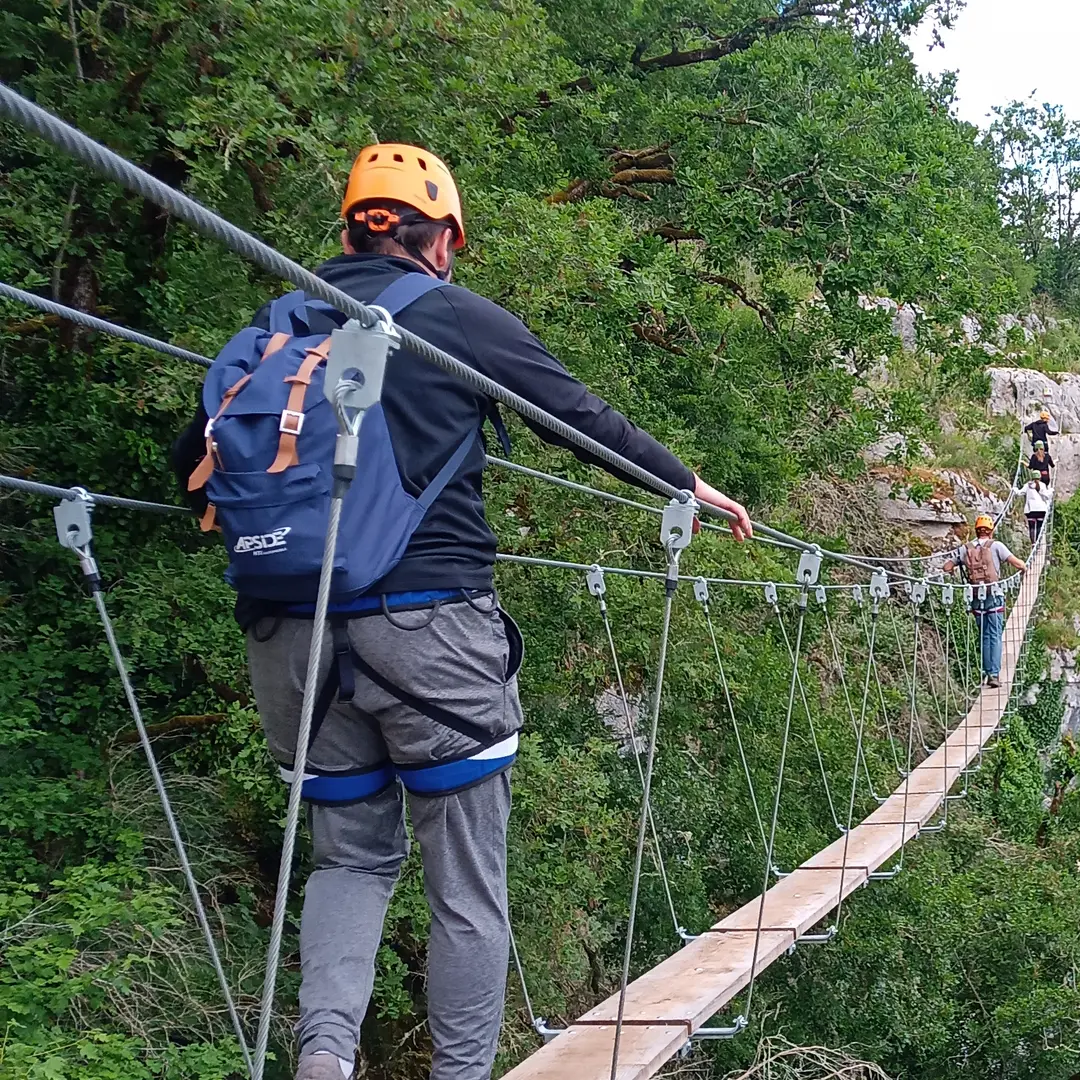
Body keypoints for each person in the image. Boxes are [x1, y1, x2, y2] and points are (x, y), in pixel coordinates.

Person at [170, 144, 755, 1080]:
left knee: (349, 864)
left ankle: (323, 1063)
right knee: (466, 890)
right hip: (430, 635)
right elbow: (578, 415)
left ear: (354, 225)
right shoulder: (449, 316)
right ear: (439, 238)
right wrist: (686, 485)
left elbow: (190, 463)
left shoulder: (275, 329)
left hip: (291, 643)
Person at [943, 514, 1027, 688]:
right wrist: (1025, 567)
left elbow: (947, 566)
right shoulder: (996, 546)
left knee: (983, 636)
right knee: (994, 636)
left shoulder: (965, 548)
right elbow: (1018, 564)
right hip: (994, 596)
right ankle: (994, 675)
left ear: (976, 530)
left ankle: (985, 671)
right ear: (991, 531)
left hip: (975, 598)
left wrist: (951, 570)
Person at [1021, 476, 1052, 545]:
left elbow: (1020, 493)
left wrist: (1014, 489)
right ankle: (1038, 543)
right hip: (1041, 510)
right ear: (1040, 477)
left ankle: (1033, 544)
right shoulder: (1043, 485)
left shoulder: (1027, 485)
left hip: (1031, 509)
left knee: (1031, 527)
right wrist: (1051, 491)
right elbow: (1046, 496)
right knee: (1039, 526)